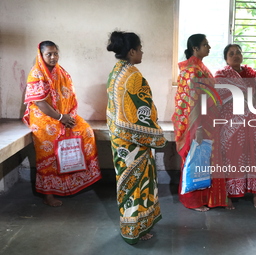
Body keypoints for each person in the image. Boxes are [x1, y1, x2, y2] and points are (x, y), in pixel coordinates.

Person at [23, 41, 102, 207]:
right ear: (41, 55)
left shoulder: (61, 72)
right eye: (48, 54)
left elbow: (69, 96)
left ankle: (73, 182)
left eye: (55, 53)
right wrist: (61, 118)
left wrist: (68, 117)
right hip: (44, 118)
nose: (53, 57)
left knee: (86, 132)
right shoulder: (36, 73)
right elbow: (40, 103)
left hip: (63, 115)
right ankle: (48, 194)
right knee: (49, 150)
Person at [106, 31, 167, 244]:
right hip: (134, 142)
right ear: (131, 51)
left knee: (126, 185)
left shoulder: (115, 72)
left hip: (120, 141)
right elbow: (142, 110)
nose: (142, 52)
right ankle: (135, 231)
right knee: (137, 186)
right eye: (140, 49)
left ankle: (134, 226)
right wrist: (155, 134)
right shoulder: (133, 76)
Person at [172, 34, 228, 212]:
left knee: (205, 160)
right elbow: (191, 101)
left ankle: (207, 198)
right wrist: (198, 128)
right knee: (196, 159)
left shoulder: (199, 66)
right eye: (205, 44)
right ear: (195, 48)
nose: (209, 47)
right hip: (199, 123)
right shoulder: (192, 69)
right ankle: (193, 200)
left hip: (208, 120)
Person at [214, 44, 256, 209]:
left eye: (238, 52)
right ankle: (228, 193)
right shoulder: (221, 75)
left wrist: (248, 100)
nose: (236, 55)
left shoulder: (251, 74)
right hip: (229, 118)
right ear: (226, 58)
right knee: (231, 153)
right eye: (231, 53)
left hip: (249, 116)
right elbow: (217, 98)